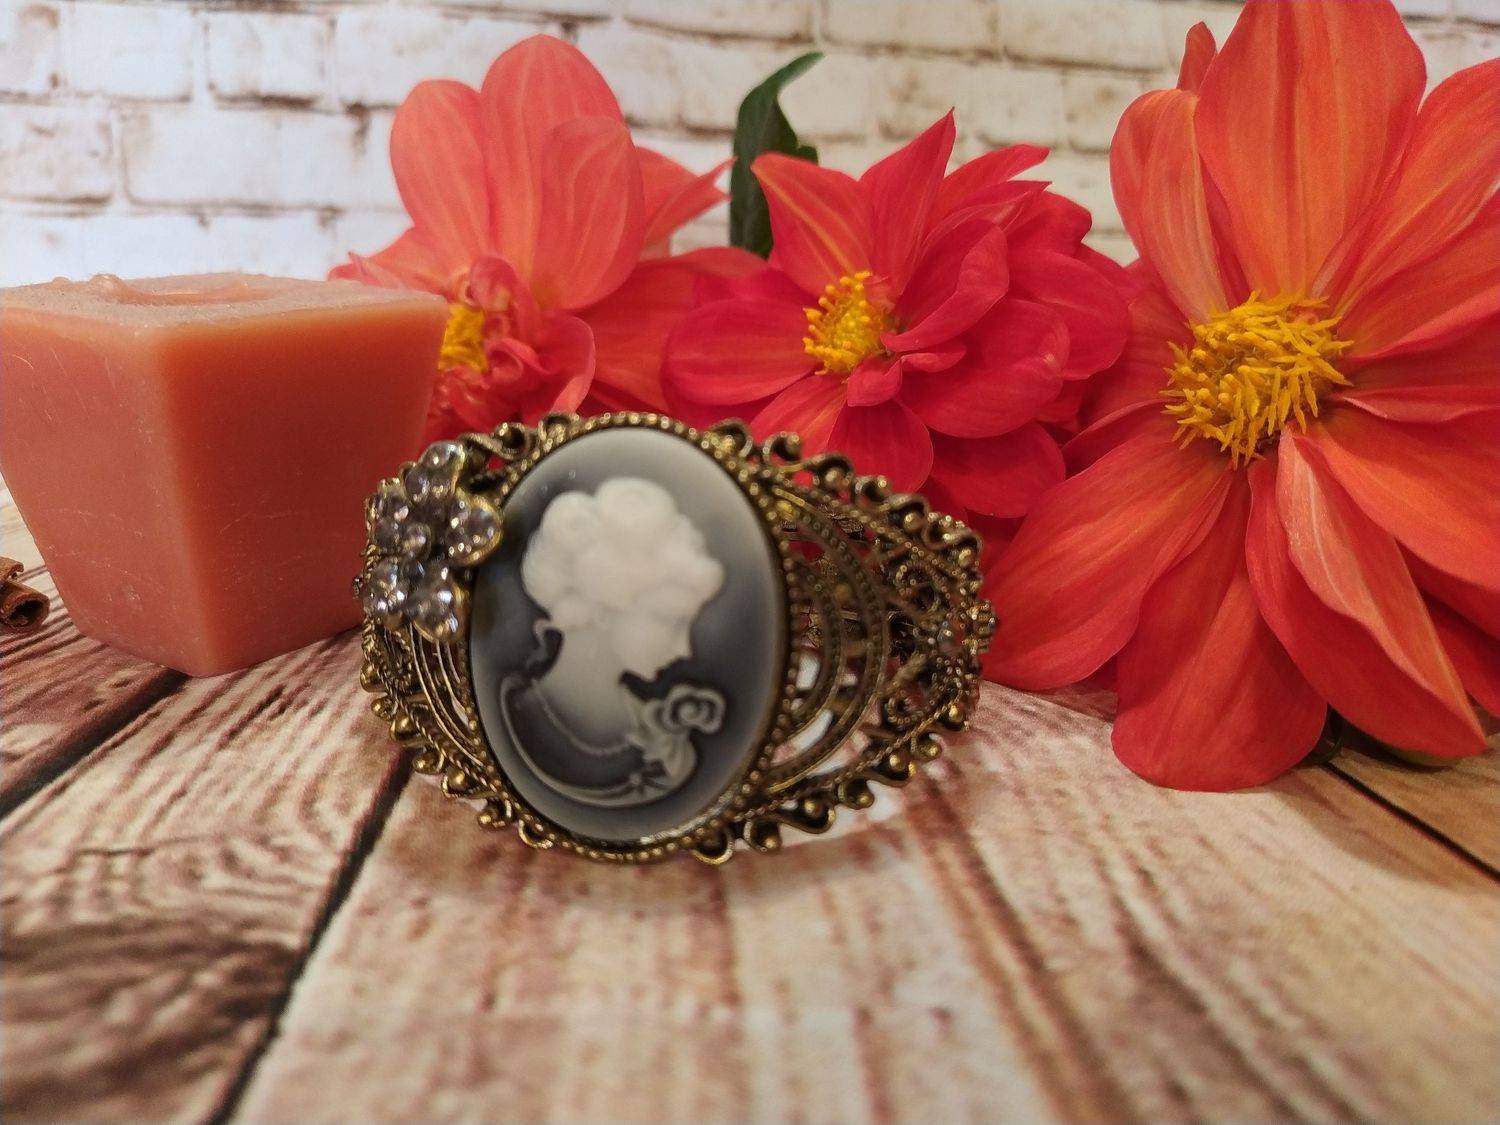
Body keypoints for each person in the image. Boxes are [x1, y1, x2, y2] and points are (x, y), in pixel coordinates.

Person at [497, 477, 727, 807]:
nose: (684, 649)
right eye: (668, 620)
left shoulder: (659, 735)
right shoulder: (518, 711)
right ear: (603, 607)